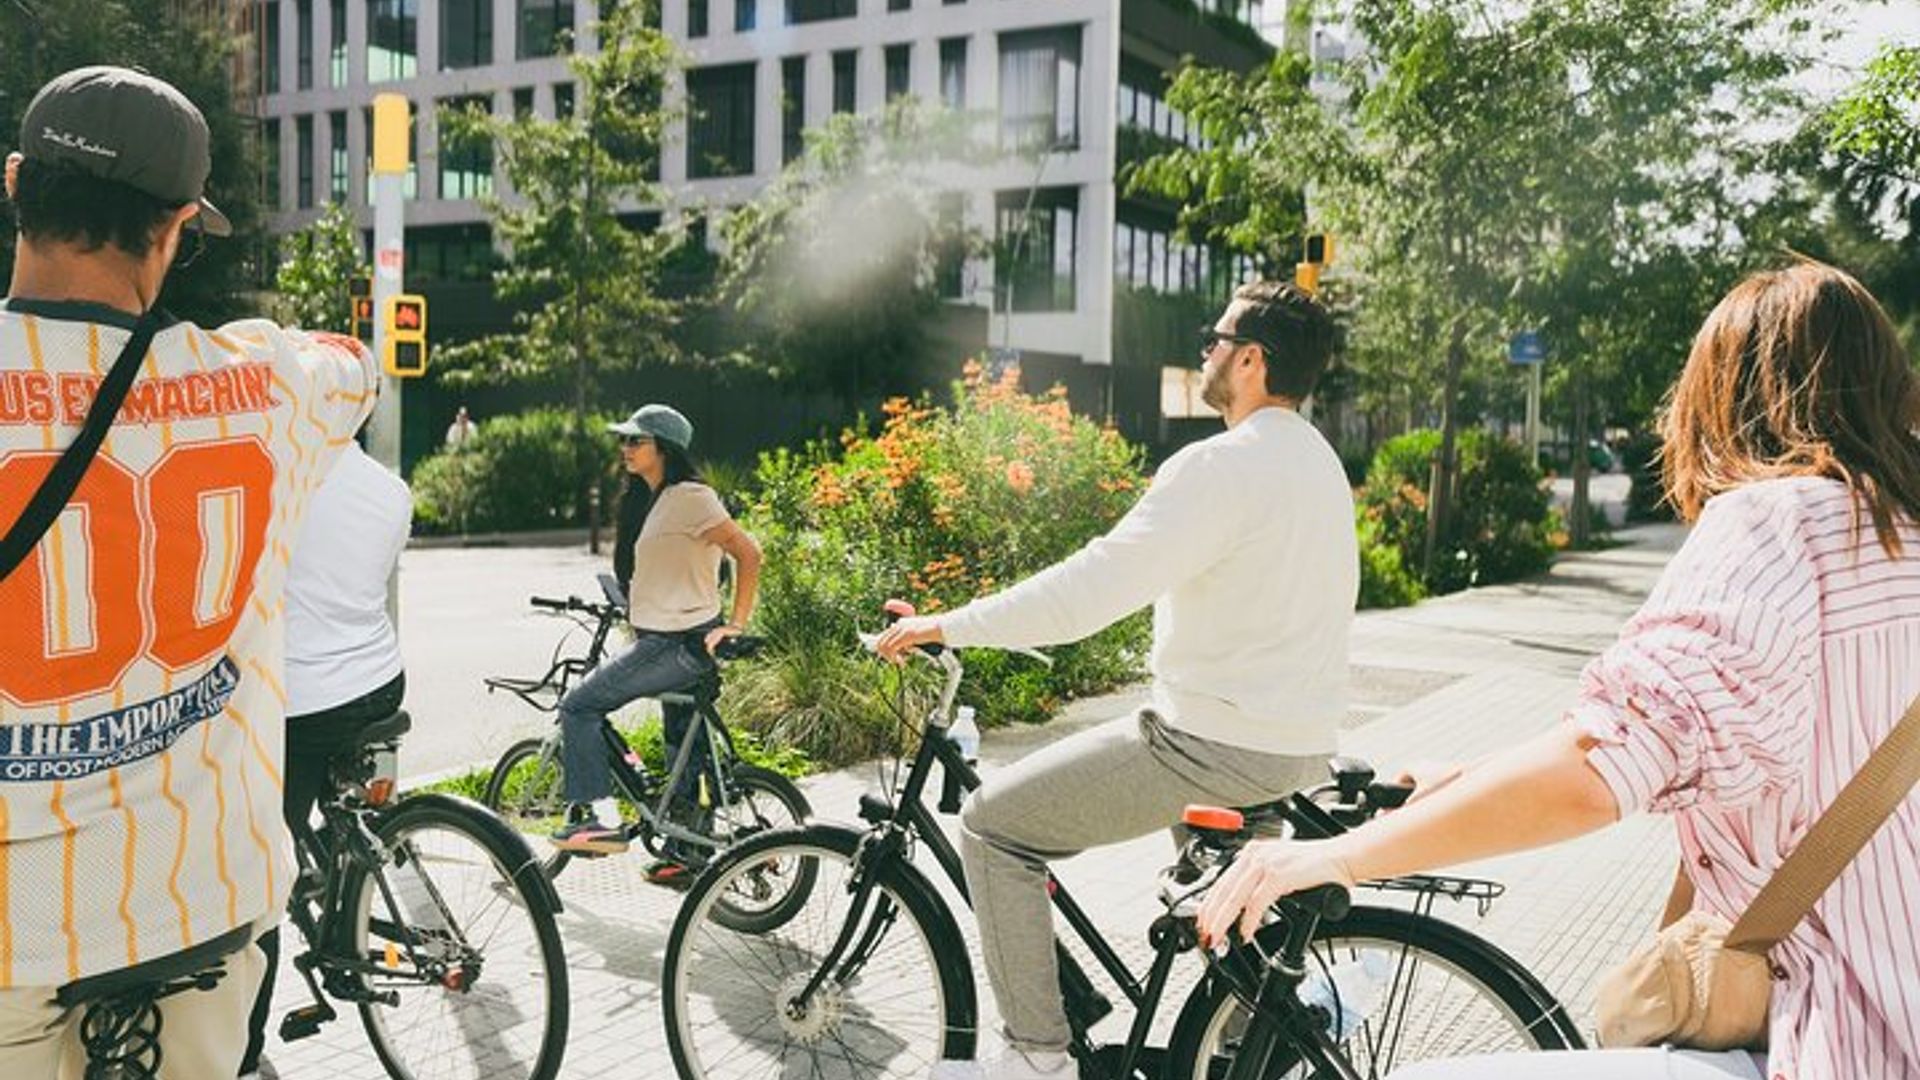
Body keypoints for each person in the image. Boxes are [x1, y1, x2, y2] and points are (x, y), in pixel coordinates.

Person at [1196, 261, 1920, 1080]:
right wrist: (1474, 774)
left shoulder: (1778, 523)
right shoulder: (1900, 537)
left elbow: (1603, 768)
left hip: (1838, 1044)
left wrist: (1338, 857)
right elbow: (1758, 750)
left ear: (1725, 394)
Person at [876, 281, 1358, 1080]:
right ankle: (1253, 1046)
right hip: (1292, 749)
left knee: (993, 828)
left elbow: (1088, 593)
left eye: (1215, 337)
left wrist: (946, 624)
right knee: (1228, 931)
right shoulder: (1319, 464)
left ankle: (1036, 1055)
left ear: (1251, 358)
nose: (1204, 350)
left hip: (1207, 746)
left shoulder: (1221, 466)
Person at [0, 66, 375, 1075]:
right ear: (172, 229)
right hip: (195, 900)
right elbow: (356, 364)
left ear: (14, 184)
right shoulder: (266, 384)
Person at [238, 437, 412, 1079]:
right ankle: (346, 884)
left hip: (305, 700)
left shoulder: (280, 478)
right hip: (381, 681)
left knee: (261, 863)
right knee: (337, 807)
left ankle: (247, 1052)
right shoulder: (393, 488)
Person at [549, 404, 764, 888]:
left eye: (635, 441)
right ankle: (684, 854)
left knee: (579, 706)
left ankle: (600, 819)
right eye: (623, 441)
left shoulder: (690, 496)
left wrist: (736, 623)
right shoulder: (657, 499)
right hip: (668, 639)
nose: (624, 449)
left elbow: (748, 553)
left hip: (675, 645)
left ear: (663, 448)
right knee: (682, 752)